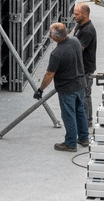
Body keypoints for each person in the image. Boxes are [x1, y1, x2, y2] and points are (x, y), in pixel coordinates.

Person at [34, 23, 88, 152]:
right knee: (80, 111)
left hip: (67, 89)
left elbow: (49, 75)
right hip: (80, 83)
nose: (49, 34)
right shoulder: (75, 41)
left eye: (50, 33)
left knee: (69, 115)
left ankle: (70, 143)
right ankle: (84, 138)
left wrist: (40, 89)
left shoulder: (57, 54)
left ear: (55, 37)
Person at [73, 3, 97, 128]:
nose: (74, 16)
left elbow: (79, 49)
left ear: (85, 15)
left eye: (77, 14)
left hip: (86, 69)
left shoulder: (88, 31)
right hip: (81, 68)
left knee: (86, 94)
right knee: (83, 94)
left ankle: (87, 120)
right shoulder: (80, 25)